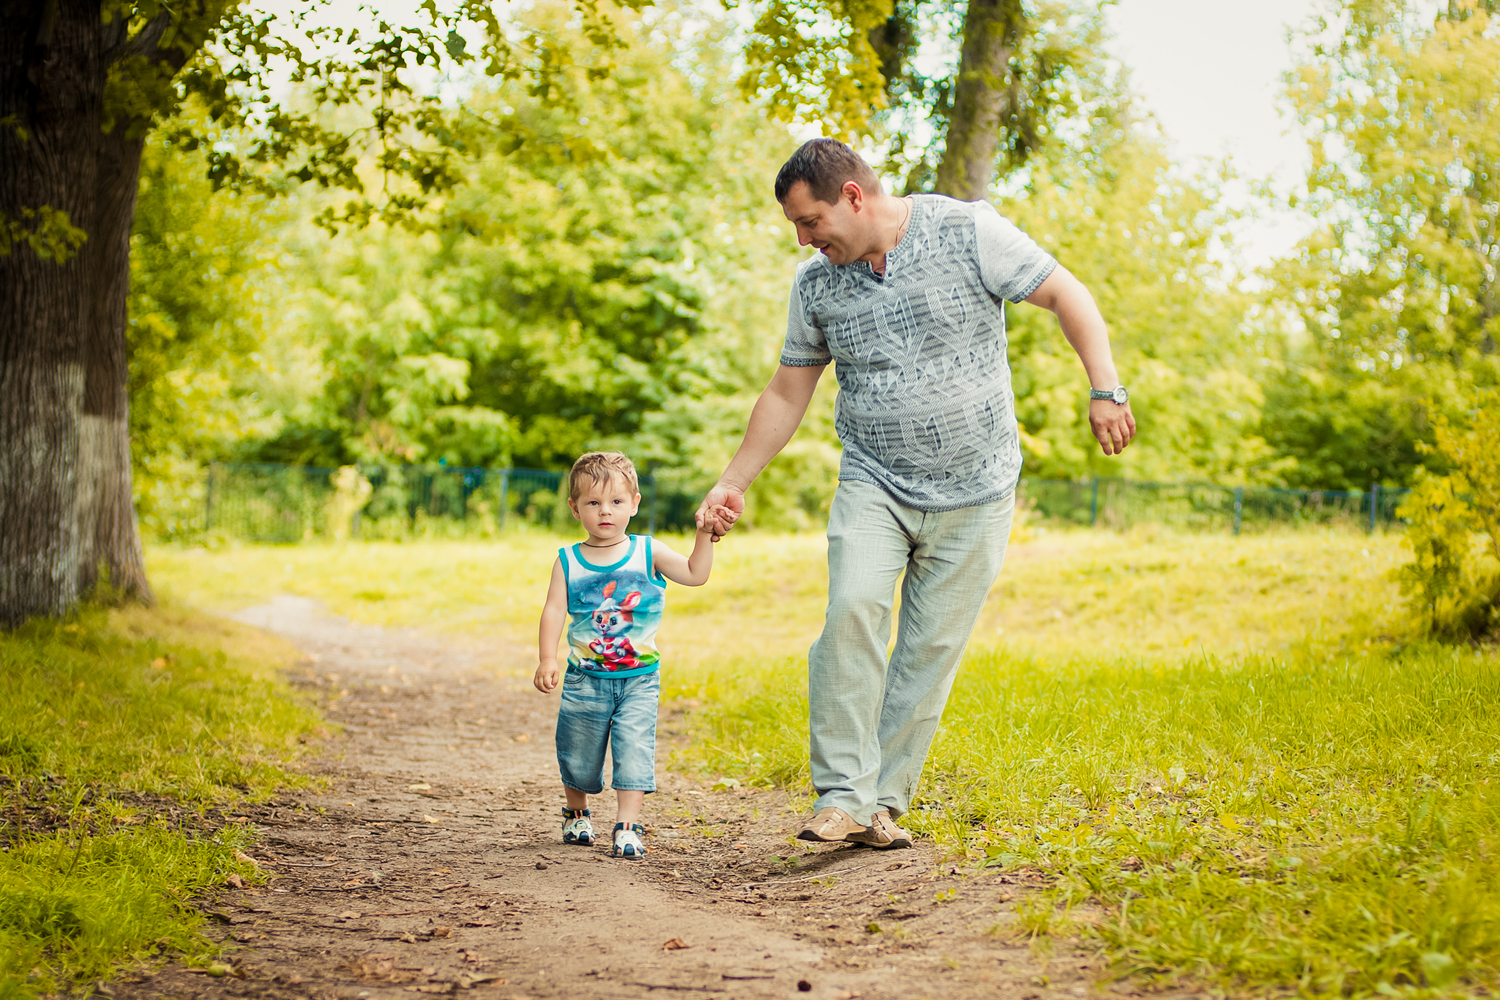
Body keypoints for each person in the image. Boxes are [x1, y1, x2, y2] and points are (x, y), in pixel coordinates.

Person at [696, 138, 1136, 850]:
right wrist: (732, 480)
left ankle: (881, 805)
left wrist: (1106, 387)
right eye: (796, 229)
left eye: (810, 222)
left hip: (979, 489)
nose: (806, 240)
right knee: (851, 612)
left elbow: (1066, 293)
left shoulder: (967, 231)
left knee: (928, 649)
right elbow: (786, 391)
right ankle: (841, 794)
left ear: (853, 196)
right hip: (875, 480)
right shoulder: (817, 285)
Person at [535, 451, 718, 858]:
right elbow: (553, 610)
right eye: (593, 503)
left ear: (634, 503)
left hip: (639, 678)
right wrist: (548, 658)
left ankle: (627, 825)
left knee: (634, 748)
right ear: (574, 508)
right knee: (578, 750)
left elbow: (695, 574)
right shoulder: (567, 561)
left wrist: (704, 536)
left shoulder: (647, 552)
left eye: (616, 502)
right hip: (585, 677)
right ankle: (577, 813)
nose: (605, 512)